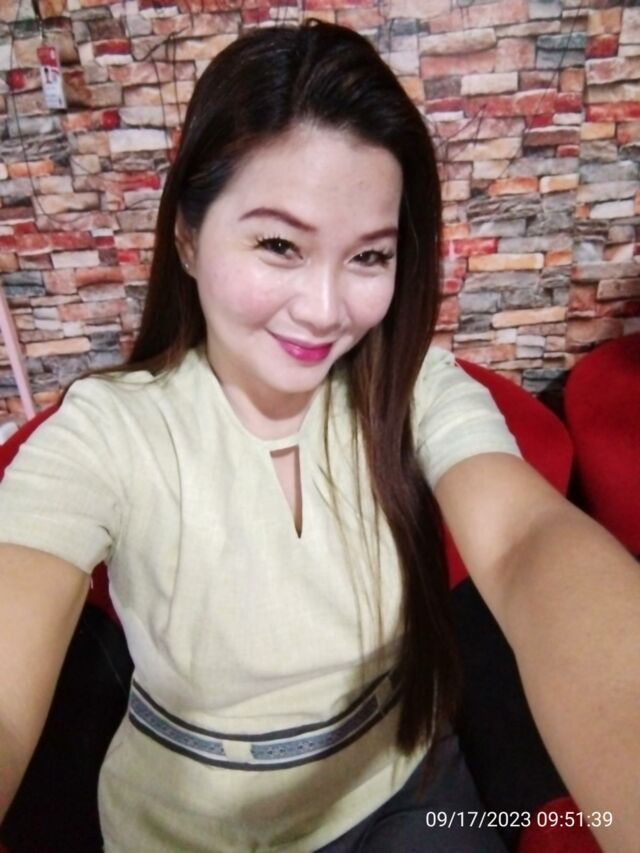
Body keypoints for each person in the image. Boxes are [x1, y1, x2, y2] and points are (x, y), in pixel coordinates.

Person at [0, 20, 638, 853]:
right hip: (186, 828)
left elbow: (526, 540)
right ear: (188, 236)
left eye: (368, 256)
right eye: (279, 244)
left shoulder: (411, 385)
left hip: (408, 790)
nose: (326, 309)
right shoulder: (107, 429)